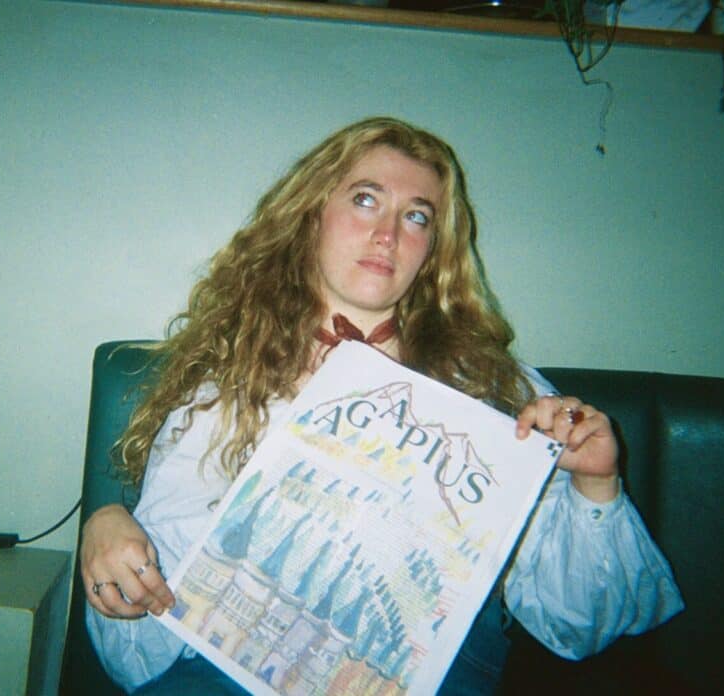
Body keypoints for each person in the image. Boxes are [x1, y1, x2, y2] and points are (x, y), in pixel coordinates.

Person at [80, 117, 683, 694]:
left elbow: (580, 628)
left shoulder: (496, 393)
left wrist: (595, 486)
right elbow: (139, 659)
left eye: (416, 216)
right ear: (311, 216)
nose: (388, 234)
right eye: (365, 200)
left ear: (433, 250)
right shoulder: (224, 391)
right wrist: (109, 529)